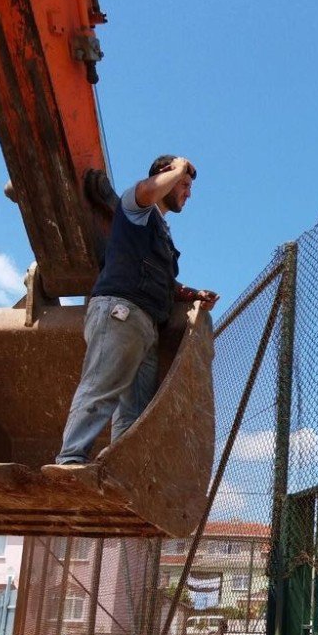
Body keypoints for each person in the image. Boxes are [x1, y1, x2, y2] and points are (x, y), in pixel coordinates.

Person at [48, 154, 219, 467]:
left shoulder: (161, 234)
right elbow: (145, 191)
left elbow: (160, 278)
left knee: (133, 411)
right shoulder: (135, 207)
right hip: (120, 312)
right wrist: (180, 166)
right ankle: (70, 461)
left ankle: (118, 470)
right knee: (101, 387)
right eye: (183, 184)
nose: (188, 193)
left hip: (145, 325)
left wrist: (189, 293)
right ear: (164, 176)